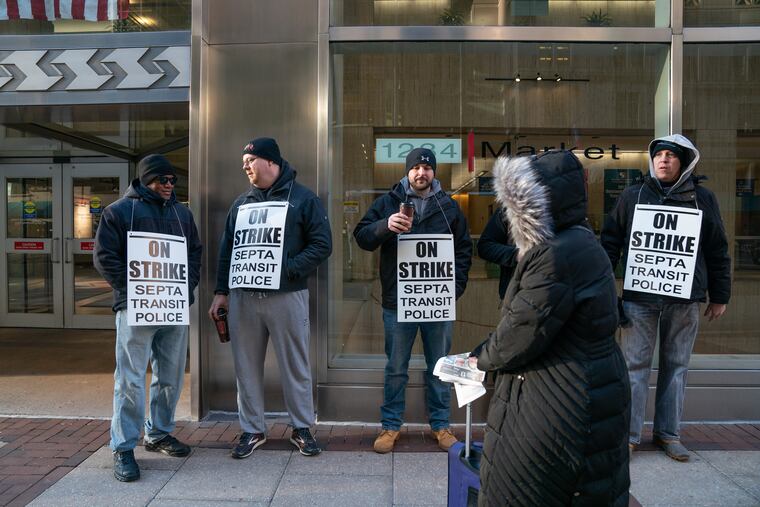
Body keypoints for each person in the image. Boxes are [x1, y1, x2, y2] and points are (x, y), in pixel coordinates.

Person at [471, 150, 630, 506]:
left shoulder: (555, 254)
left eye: (516, 206)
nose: (511, 217)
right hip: (584, 387)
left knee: (520, 490)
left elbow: (522, 331)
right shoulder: (579, 240)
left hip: (559, 398)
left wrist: (480, 359)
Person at [601, 134, 731, 462]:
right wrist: (605, 290)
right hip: (639, 298)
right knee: (634, 367)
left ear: (684, 162)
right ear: (651, 159)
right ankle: (629, 437)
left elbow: (717, 248)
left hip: (685, 299)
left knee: (677, 367)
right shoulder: (633, 195)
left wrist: (720, 295)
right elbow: (609, 243)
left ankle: (668, 434)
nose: (664, 160)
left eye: (671, 156)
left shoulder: (703, 199)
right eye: (659, 155)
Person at [208, 137, 332, 458]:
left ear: (270, 162)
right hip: (243, 297)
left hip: (287, 295)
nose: (244, 167)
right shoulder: (241, 203)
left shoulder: (303, 199)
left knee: (295, 364)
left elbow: (322, 244)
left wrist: (288, 268)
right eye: (243, 163)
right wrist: (221, 292)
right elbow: (227, 252)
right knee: (245, 366)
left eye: (249, 161)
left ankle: (302, 427)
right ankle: (252, 429)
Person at [354, 147, 472, 453]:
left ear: (435, 173)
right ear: (408, 171)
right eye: (416, 168)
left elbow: (463, 251)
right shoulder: (388, 202)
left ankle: (441, 426)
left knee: (439, 366)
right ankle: (391, 427)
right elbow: (362, 236)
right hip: (398, 302)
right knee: (395, 367)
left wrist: (453, 288)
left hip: (437, 302)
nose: (422, 173)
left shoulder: (449, 207)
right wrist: (384, 225)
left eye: (427, 168)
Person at [94, 154, 202, 482]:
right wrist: (134, 292)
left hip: (173, 306)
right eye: (162, 181)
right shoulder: (118, 212)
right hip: (135, 308)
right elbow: (104, 257)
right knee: (130, 378)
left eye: (173, 181)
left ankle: (158, 434)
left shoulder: (183, 214)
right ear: (144, 180)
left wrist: (187, 286)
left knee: (169, 376)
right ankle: (124, 446)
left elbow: (194, 252)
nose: (169, 186)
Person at [477, 208, 518, 301]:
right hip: (516, 295)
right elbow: (485, 246)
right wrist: (517, 255)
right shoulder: (508, 209)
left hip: (554, 294)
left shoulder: (557, 209)